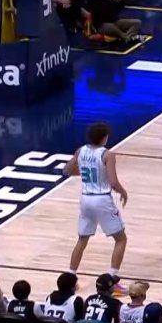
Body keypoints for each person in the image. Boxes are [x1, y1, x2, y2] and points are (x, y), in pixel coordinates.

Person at [63, 122, 129, 292]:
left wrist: (85, 171)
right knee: (121, 239)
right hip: (102, 199)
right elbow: (113, 182)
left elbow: (67, 170)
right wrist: (123, 192)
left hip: (86, 199)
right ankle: (112, 280)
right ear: (104, 138)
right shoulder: (108, 154)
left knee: (82, 240)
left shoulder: (81, 151)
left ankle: (70, 279)